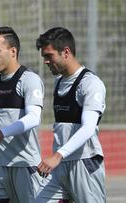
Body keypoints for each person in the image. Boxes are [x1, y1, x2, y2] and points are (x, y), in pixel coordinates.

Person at [34, 27, 106, 203]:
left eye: (49, 56)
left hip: (83, 163)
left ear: (66, 52)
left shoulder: (90, 83)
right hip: (60, 168)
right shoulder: (59, 81)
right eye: (44, 56)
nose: (45, 61)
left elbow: (88, 127)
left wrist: (58, 155)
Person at [0, 26, 45, 203]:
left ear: (13, 51)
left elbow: (33, 118)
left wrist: (1, 134)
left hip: (24, 166)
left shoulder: (29, 79)